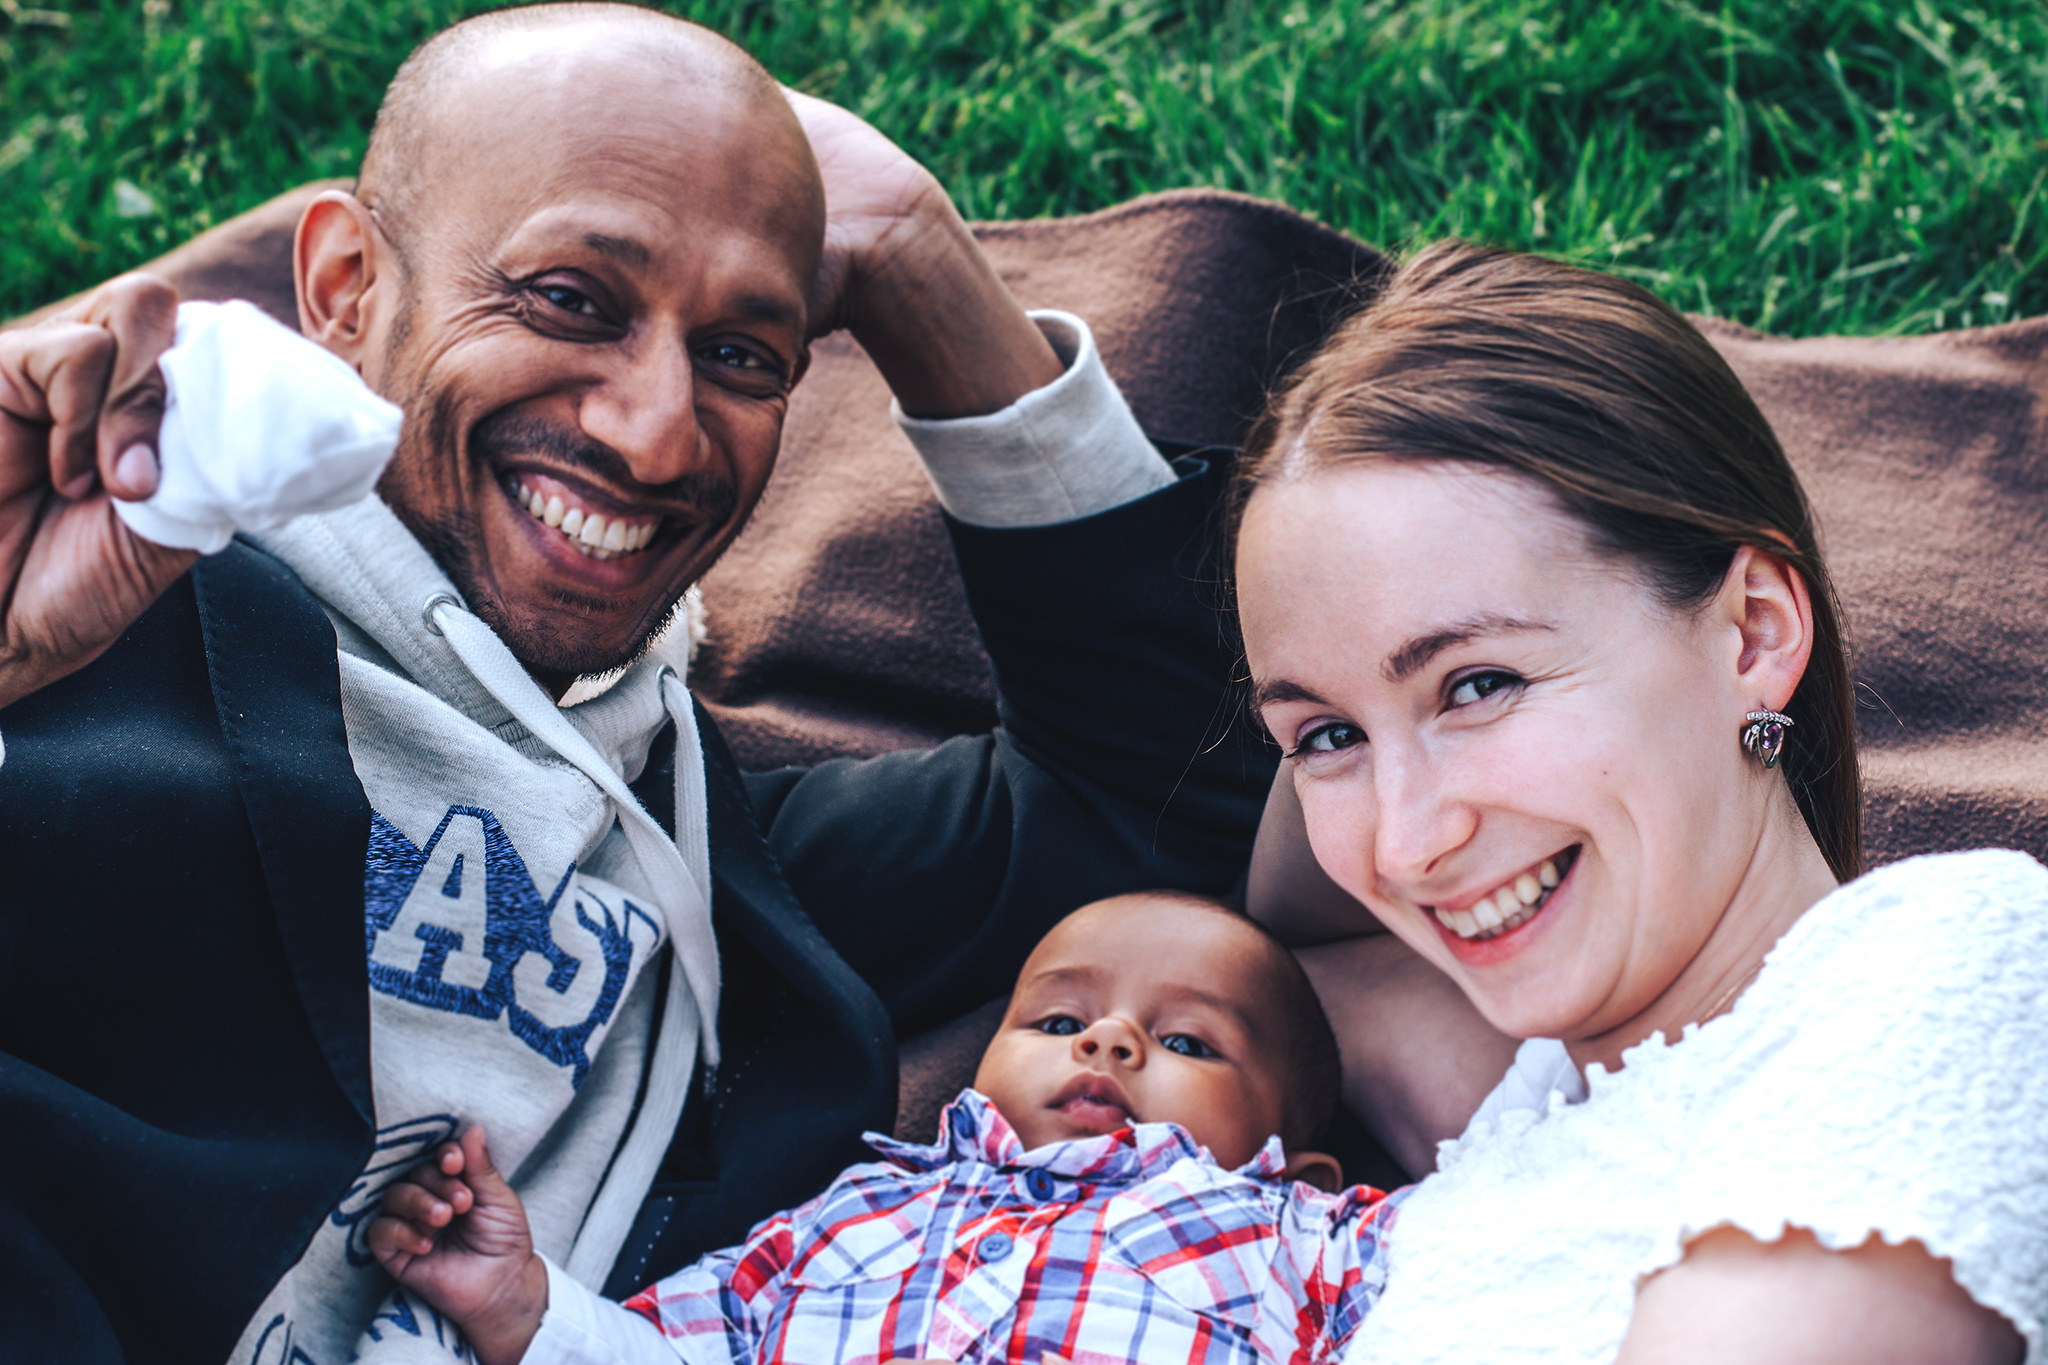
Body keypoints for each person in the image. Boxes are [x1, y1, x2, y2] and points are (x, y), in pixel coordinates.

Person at [0, 8, 1272, 1364]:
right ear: (346, 288)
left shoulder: (723, 869)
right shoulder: (95, 626)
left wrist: (913, 254)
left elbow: (1161, 792)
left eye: (741, 355)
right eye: (569, 300)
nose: (655, 437)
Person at [1230, 242, 2047, 1363]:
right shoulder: (1528, 1106)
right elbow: (1282, 936)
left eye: (1478, 684)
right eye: (1327, 738)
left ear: (1752, 632)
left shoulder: (1941, 962)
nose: (1409, 843)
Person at [362, 891, 1399, 1365]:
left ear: (1299, 1172)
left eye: (1186, 1042)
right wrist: (518, 1302)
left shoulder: (1291, 1233)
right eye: (1058, 1022)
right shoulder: (853, 1213)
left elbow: (1480, 1260)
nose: (1108, 1040)